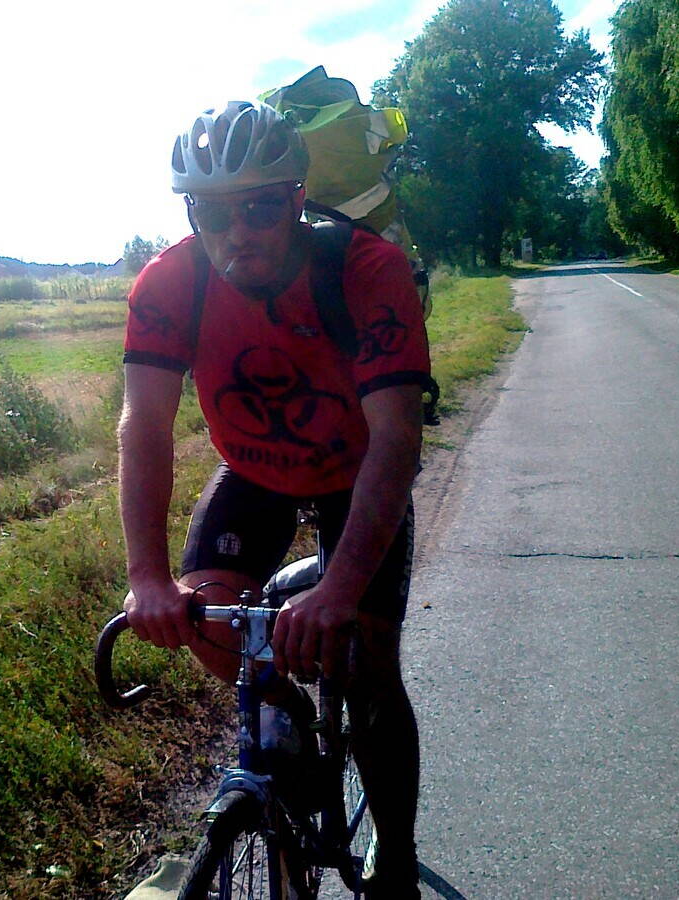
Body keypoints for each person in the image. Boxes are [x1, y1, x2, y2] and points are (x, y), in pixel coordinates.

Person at [118, 100, 429, 898]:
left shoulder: (366, 271)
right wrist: (148, 577)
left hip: (358, 473)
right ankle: (289, 736)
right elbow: (144, 427)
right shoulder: (170, 282)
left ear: (295, 199)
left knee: (367, 670)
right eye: (211, 211)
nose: (237, 232)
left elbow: (396, 438)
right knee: (210, 621)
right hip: (253, 472)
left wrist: (341, 590)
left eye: (258, 207)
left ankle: (395, 859)